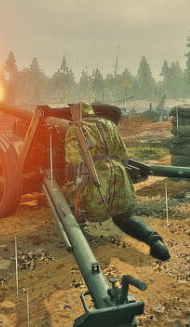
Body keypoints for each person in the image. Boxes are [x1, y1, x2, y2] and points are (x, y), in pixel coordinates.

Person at [63, 102, 170, 261]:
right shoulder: (110, 125)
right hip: (119, 176)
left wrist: (71, 182)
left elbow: (73, 162)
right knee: (122, 216)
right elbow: (124, 157)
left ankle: (82, 250)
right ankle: (155, 242)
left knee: (70, 202)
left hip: (96, 179)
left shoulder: (76, 129)